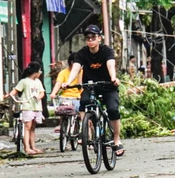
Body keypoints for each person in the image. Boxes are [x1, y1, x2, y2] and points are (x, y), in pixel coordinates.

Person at [55, 25, 124, 156]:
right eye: (88, 38)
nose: (90, 40)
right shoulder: (82, 53)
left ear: (99, 38)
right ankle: (87, 130)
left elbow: (110, 65)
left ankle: (116, 139)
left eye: (93, 37)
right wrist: (68, 82)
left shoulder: (106, 51)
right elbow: (75, 68)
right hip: (90, 85)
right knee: (84, 102)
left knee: (112, 109)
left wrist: (114, 78)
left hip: (108, 85)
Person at [7, 62, 45, 154]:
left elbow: (42, 92)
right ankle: (27, 148)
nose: (40, 73)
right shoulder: (24, 81)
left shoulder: (38, 82)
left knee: (32, 128)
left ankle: (33, 147)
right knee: (27, 127)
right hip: (27, 106)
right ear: (35, 72)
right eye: (40, 71)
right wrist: (9, 95)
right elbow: (16, 90)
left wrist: (39, 97)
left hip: (37, 107)